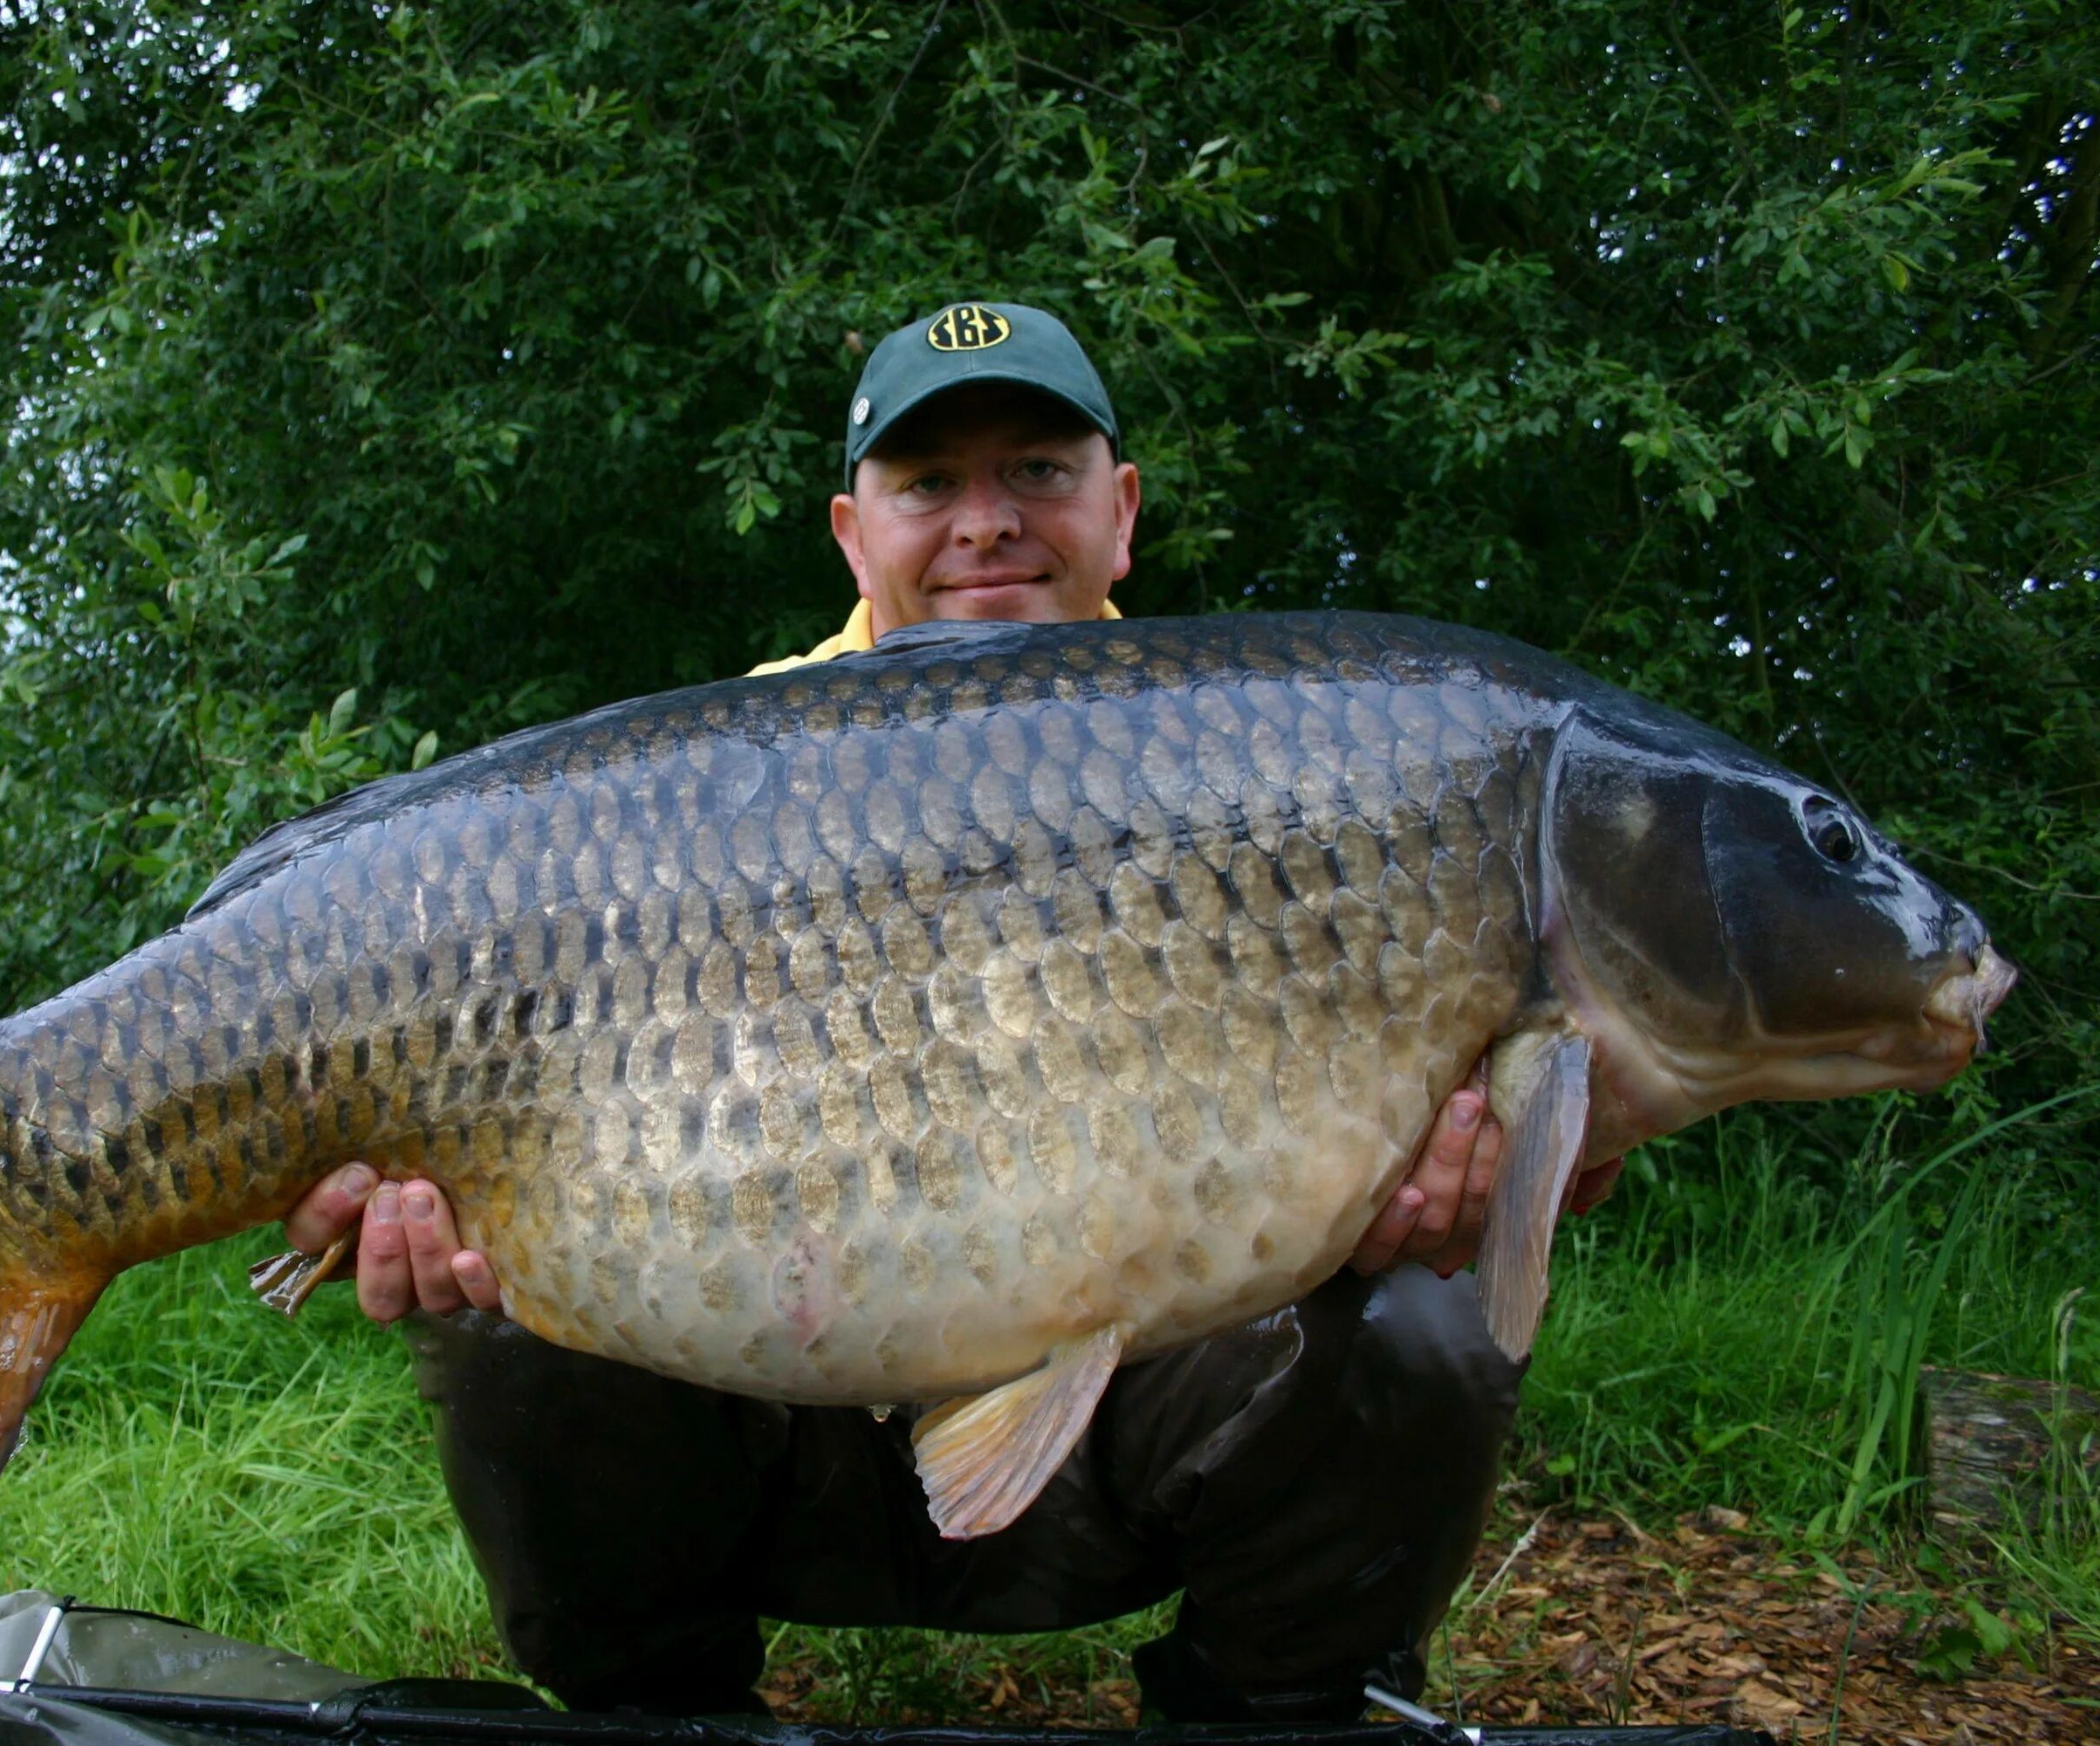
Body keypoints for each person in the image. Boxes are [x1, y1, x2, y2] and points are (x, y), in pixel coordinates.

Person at [281, 303, 1609, 1723]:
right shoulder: (699, 792)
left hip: (1131, 1428)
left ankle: (1267, 1708)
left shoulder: (1270, 765)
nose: (988, 524)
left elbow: (1550, 1117)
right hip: (776, 1422)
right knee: (509, 1319)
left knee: (1424, 1321)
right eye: (929, 486)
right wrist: (372, 1182)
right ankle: (658, 1707)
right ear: (855, 536)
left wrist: (1494, 1172)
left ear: (1123, 510)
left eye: (1038, 470)